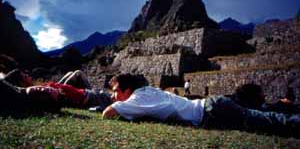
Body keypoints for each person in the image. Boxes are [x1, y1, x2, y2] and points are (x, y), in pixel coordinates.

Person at [103, 74, 300, 137]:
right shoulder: (146, 91)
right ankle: (286, 107)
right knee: (259, 114)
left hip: (212, 111)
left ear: (128, 90)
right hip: (213, 106)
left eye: (116, 91)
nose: (113, 96)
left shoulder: (137, 100)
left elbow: (107, 114)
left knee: (266, 121)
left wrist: (118, 106)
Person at [0, 69, 112, 113]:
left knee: (71, 73)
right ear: (22, 83)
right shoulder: (37, 96)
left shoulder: (30, 90)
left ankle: (93, 92)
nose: (28, 76)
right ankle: (92, 91)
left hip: (82, 93)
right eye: (25, 76)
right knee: (78, 73)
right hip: (88, 96)